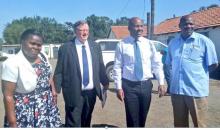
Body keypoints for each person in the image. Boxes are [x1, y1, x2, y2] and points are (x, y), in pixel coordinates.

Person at [1, 29, 62, 127]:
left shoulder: (43, 56)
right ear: (22, 42)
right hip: (26, 110)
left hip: (46, 105)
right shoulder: (12, 63)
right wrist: (12, 122)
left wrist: (53, 93)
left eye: (39, 45)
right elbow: (8, 96)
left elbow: (48, 75)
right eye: (32, 43)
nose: (36, 47)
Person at [53, 20, 109, 127]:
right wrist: (55, 90)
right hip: (73, 92)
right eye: (81, 30)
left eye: (86, 30)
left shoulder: (95, 46)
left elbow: (100, 66)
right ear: (75, 31)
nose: (85, 32)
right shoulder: (65, 48)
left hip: (91, 92)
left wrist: (105, 82)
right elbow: (59, 70)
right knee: (73, 121)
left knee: (87, 119)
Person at [165, 15, 218, 127]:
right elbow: (169, 64)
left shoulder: (204, 42)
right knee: (179, 125)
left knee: (199, 124)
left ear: (194, 25)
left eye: (191, 24)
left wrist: (199, 77)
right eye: (185, 24)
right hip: (177, 92)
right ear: (180, 26)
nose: (188, 26)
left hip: (196, 91)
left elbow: (213, 64)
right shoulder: (173, 43)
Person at [113, 17, 166, 127]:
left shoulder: (149, 44)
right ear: (129, 28)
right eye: (136, 26)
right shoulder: (122, 44)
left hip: (146, 85)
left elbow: (156, 64)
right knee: (132, 118)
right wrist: (118, 87)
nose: (139, 28)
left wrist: (161, 82)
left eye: (141, 26)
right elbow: (117, 67)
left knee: (143, 116)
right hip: (129, 87)